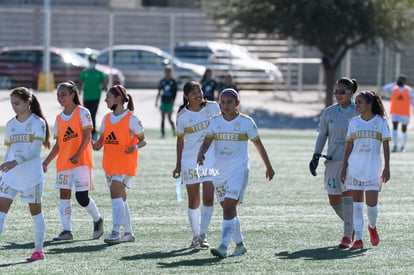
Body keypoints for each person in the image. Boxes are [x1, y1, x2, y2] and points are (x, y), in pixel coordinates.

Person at [197, 88, 275, 258]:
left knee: (229, 207)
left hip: (238, 171)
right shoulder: (215, 122)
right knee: (228, 209)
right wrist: (201, 152)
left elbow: (259, 145)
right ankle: (240, 245)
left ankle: (223, 247)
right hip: (219, 172)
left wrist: (268, 166)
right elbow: (207, 141)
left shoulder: (247, 122)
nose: (225, 105)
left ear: (237, 103)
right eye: (222, 102)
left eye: (229, 102)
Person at [42, 81, 104, 241]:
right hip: (64, 164)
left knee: (81, 197)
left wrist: (77, 154)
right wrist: (46, 162)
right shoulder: (58, 118)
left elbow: (87, 136)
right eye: (58, 95)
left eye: (63, 95)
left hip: (81, 162)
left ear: (72, 95)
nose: (60, 98)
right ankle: (66, 231)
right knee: (64, 194)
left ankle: (98, 219)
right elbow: (58, 145)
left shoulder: (83, 112)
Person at [0, 87, 50, 261]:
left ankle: (38, 251)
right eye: (12, 103)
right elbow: (9, 151)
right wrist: (4, 170)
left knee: (35, 212)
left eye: (17, 103)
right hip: (10, 176)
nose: (13, 107)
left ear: (28, 102)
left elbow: (35, 151)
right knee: (0, 212)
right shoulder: (10, 125)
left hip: (31, 177)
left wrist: (15, 162)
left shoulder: (39, 123)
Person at [92, 85, 146, 244]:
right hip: (109, 164)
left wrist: (135, 146)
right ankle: (128, 233)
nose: (105, 100)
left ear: (118, 99)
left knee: (115, 194)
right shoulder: (106, 118)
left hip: (124, 164)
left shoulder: (132, 119)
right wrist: (87, 140)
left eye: (108, 97)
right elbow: (99, 144)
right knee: (121, 198)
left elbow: (143, 140)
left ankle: (115, 231)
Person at [309, 77, 358, 248]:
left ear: (351, 94)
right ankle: (353, 226)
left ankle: (347, 236)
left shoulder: (358, 111)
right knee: (334, 200)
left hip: (352, 162)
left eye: (342, 92)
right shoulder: (329, 112)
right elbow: (322, 135)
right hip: (332, 161)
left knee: (347, 197)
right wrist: (316, 155)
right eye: (336, 91)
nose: (338, 95)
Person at [340, 90, 391, 250]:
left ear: (370, 104)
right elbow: (349, 147)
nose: (357, 105)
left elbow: (386, 145)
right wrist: (344, 167)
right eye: (356, 102)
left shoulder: (381, 122)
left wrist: (387, 167)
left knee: (372, 206)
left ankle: (372, 226)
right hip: (355, 168)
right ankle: (359, 239)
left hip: (373, 169)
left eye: (360, 102)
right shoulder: (353, 122)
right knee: (357, 204)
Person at [173, 81, 220, 249]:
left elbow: (222, 127)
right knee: (194, 200)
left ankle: (203, 235)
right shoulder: (182, 116)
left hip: (210, 160)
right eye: (193, 93)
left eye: (199, 91)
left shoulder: (213, 108)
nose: (198, 95)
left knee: (208, 197)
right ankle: (195, 237)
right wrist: (178, 164)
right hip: (190, 160)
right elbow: (180, 140)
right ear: (186, 96)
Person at [79, 54, 107, 140]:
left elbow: (103, 85)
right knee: (86, 115)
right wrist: (79, 91)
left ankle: (93, 132)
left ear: (95, 62)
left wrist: (108, 93)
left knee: (93, 115)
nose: (92, 63)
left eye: (93, 62)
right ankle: (85, 132)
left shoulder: (99, 73)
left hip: (95, 97)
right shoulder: (85, 72)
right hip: (86, 97)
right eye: (90, 61)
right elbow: (81, 82)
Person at [382, 75, 414, 152]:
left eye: (401, 80)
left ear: (404, 82)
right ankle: (395, 145)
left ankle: (403, 146)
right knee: (395, 128)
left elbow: (412, 100)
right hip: (395, 112)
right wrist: (394, 83)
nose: (399, 81)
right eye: (398, 80)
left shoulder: (408, 90)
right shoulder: (394, 88)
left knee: (404, 129)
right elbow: (385, 88)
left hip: (405, 113)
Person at [155, 66, 178, 138]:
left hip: (169, 102)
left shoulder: (173, 82)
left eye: (169, 71)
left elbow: (175, 93)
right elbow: (159, 92)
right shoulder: (162, 81)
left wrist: (173, 101)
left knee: (169, 118)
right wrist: (156, 101)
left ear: (171, 72)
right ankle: (162, 133)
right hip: (163, 101)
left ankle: (174, 131)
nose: (167, 73)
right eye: (166, 71)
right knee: (162, 118)